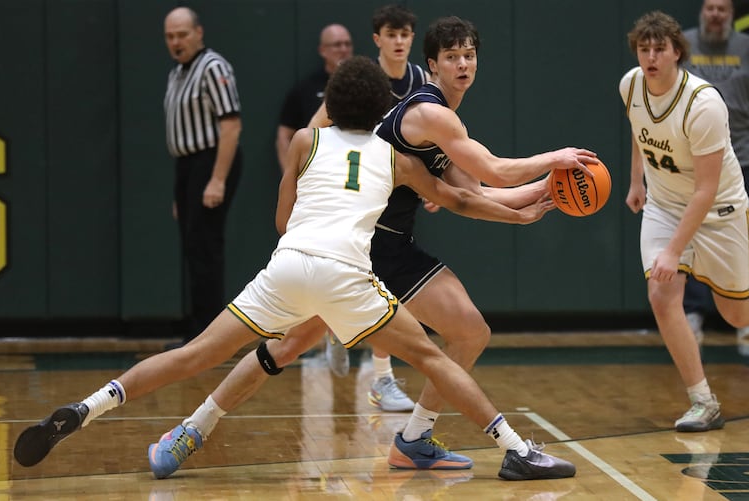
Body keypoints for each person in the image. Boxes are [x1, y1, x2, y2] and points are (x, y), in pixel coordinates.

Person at [13, 56, 575, 483]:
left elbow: (282, 219)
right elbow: (460, 200)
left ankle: (90, 406)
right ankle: (514, 450)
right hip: (347, 273)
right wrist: (521, 214)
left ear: (332, 103)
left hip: (288, 266)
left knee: (194, 355)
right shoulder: (396, 158)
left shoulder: (306, 140)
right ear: (383, 107)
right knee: (431, 354)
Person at [145, 15, 599, 477]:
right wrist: (556, 161)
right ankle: (192, 428)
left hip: (390, 246)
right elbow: (495, 173)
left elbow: (473, 194)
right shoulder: (430, 113)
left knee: (465, 332)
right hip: (360, 247)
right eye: (452, 57)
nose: (463, 64)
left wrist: (547, 191)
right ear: (432, 66)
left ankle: (414, 439)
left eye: (469, 55)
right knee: (284, 348)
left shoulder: (447, 119)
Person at [620, 10, 749, 432]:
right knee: (662, 296)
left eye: (660, 48)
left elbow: (706, 189)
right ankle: (703, 401)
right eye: (644, 49)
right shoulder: (630, 85)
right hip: (664, 203)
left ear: (678, 52)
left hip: (719, 211)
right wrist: (636, 180)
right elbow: (639, 130)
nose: (651, 57)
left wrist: (675, 250)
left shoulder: (704, 104)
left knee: (734, 312)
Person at [309, 3, 431, 413]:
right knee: (365, 281)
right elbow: (311, 131)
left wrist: (437, 184)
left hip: (397, 194)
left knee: (385, 285)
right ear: (377, 39)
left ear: (412, 39)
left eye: (405, 35)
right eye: (391, 34)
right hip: (356, 193)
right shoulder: (360, 82)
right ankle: (362, 357)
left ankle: (374, 369)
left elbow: (439, 143)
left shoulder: (423, 82)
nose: (398, 41)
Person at [680, 0, 749, 348]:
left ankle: (746, 313)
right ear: (702, 12)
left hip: (739, 160)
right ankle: (691, 312)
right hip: (689, 162)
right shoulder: (683, 45)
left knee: (739, 239)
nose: (715, 14)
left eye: (722, 8)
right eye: (710, 8)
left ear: (731, 14)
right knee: (689, 237)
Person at [163, 7, 243, 346]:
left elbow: (231, 125)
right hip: (187, 166)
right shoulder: (177, 74)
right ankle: (198, 330)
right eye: (170, 36)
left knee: (206, 249)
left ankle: (209, 339)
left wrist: (217, 179)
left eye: (182, 34)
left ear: (199, 32)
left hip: (210, 162)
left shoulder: (213, 67)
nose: (176, 42)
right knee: (194, 248)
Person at [275, 23, 353, 173]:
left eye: (347, 44)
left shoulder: (364, 85)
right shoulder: (305, 88)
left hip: (354, 167)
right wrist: (290, 175)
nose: (344, 49)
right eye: (337, 45)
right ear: (323, 50)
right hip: (317, 169)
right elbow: (284, 135)